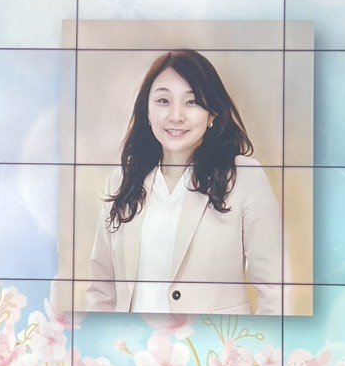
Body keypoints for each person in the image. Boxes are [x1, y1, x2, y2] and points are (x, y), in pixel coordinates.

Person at [85, 48, 283, 316]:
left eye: (192, 102)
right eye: (163, 101)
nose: (176, 115)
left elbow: (276, 290)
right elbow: (101, 291)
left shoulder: (245, 178)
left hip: (214, 341)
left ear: (212, 114)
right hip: (131, 341)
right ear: (147, 111)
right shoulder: (120, 181)